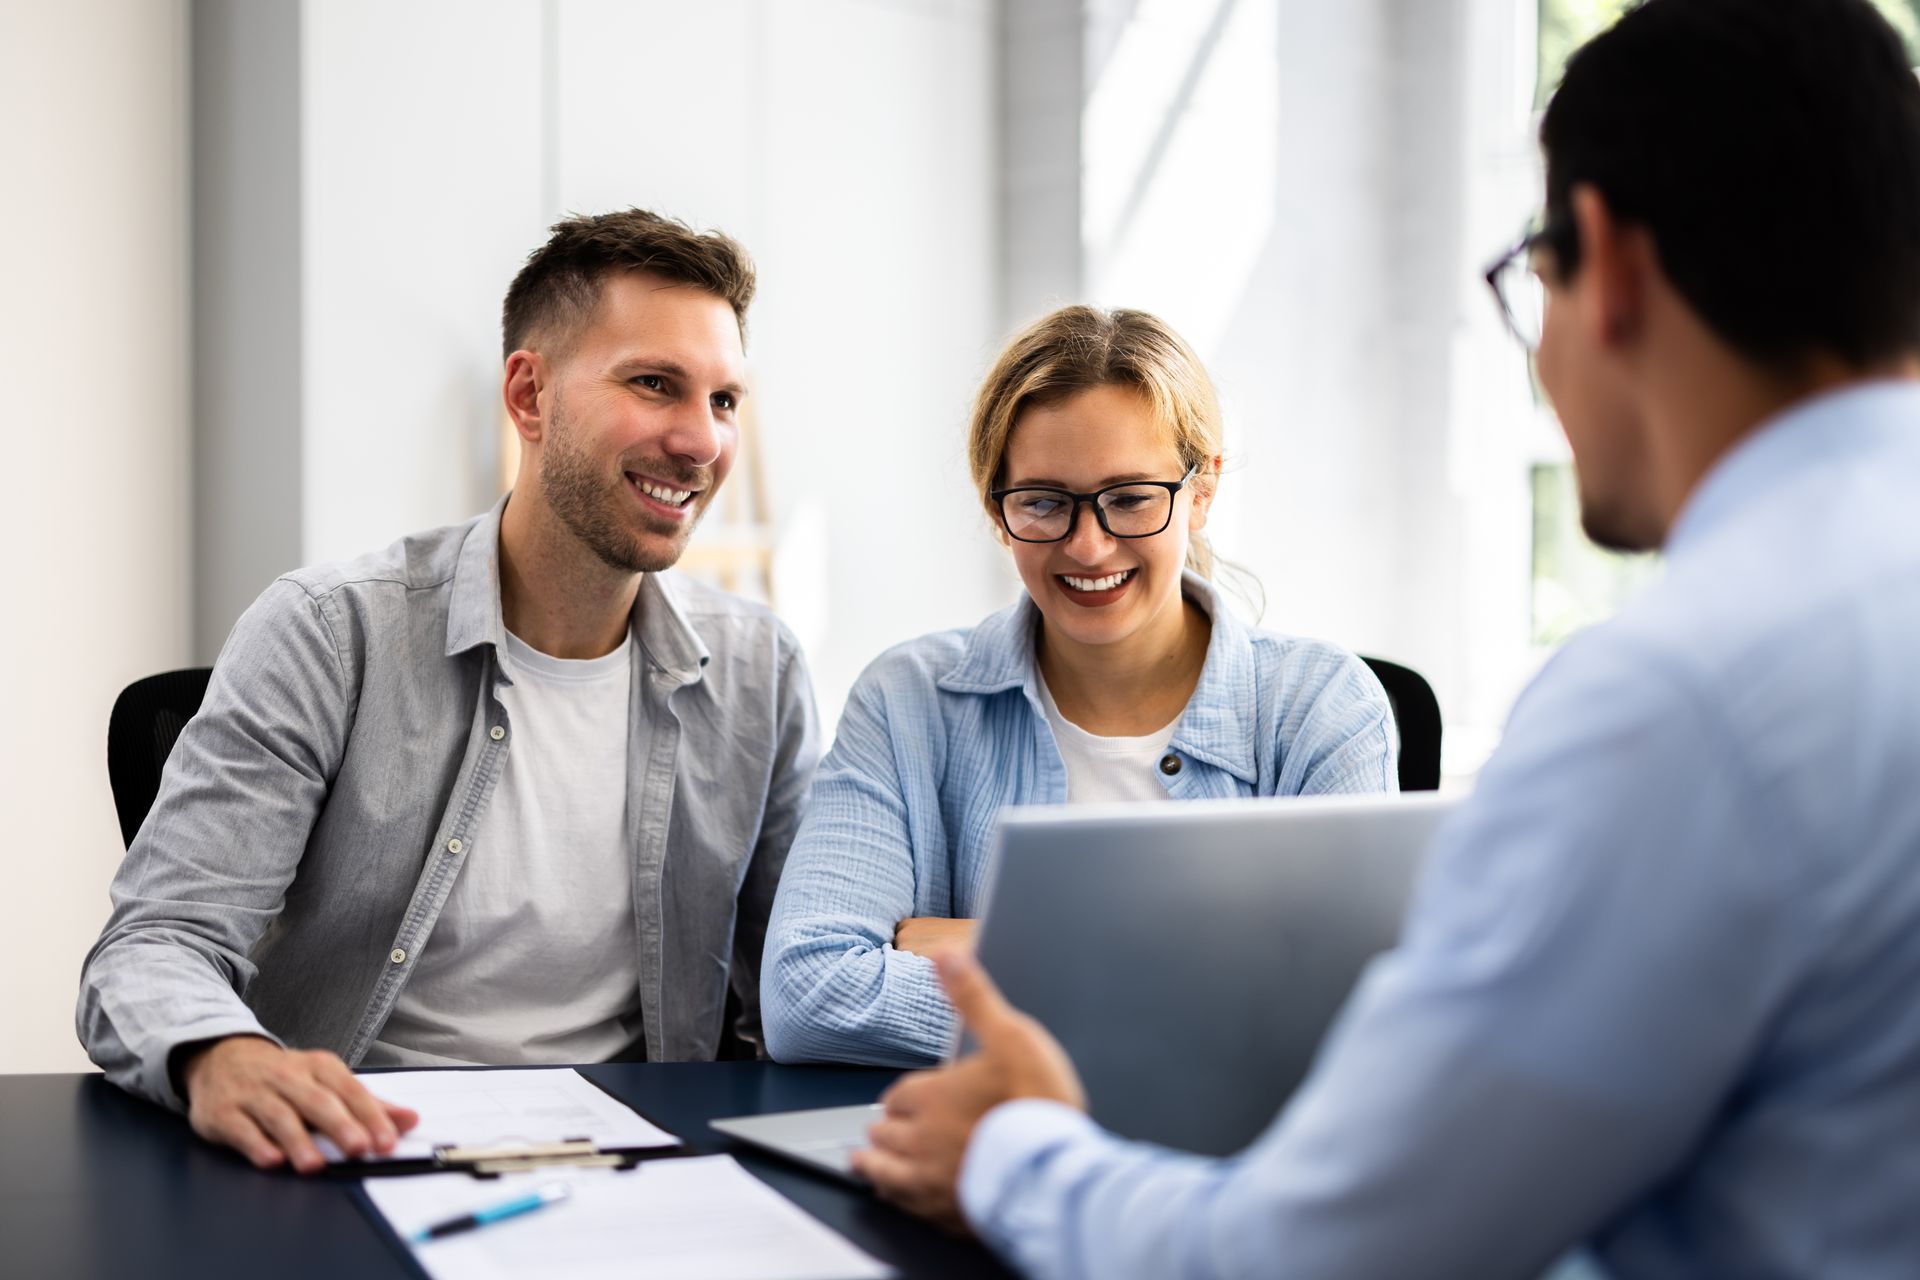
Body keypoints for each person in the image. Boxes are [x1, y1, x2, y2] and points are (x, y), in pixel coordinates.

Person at [851, 1, 1920, 1275]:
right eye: (1044, 503)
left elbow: (1324, 1254)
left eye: (1535, 284)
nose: (1088, 544)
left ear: (1613, 267)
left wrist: (1017, 1145)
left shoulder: (1679, 699)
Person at [77, 209, 820, 1174]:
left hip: (633, 1165)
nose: (700, 440)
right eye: (653, 384)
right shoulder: (330, 631)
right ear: (529, 394)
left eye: (724, 400)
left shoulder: (759, 671)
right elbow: (154, 944)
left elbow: (804, 973)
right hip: (355, 1151)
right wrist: (222, 1055)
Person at [761, 306, 1397, 1068]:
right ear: (997, 508)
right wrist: (1198, 984)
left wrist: (988, 950)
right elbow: (809, 995)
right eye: (1044, 502)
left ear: (1201, 491)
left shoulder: (1324, 707)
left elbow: (1343, 1017)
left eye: (1130, 496)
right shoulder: (907, 702)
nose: (1087, 545)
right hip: (971, 1158)